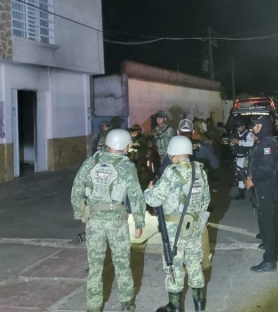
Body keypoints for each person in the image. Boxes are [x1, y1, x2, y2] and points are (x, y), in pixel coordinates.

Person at [71, 129, 146, 312]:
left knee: (95, 267)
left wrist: (80, 212)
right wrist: (139, 222)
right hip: (116, 222)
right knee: (122, 264)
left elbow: (77, 187)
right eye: (128, 145)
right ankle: (127, 304)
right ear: (123, 146)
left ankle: (93, 307)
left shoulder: (91, 162)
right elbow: (136, 195)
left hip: (94, 221)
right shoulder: (126, 166)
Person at [145, 136, 211, 312]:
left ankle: (175, 307)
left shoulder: (172, 172)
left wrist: (149, 189)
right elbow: (206, 200)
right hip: (194, 226)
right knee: (194, 264)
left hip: (174, 229)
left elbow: (153, 199)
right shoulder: (200, 171)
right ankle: (199, 304)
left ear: (172, 152)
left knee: (174, 267)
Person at [244, 115, 278, 273]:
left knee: (266, 224)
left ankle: (269, 260)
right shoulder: (264, 141)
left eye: (257, 126)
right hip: (267, 187)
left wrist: (252, 180)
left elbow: (266, 169)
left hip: (265, 188)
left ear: (264, 126)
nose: (254, 128)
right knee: (273, 220)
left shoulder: (267, 143)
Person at [230, 115, 255, 200]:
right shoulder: (236, 134)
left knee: (248, 176)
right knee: (239, 176)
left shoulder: (249, 134)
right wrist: (232, 143)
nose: (238, 129)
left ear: (243, 126)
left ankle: (253, 195)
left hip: (246, 158)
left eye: (239, 127)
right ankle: (241, 193)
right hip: (238, 157)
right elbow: (232, 143)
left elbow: (250, 144)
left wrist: (238, 142)